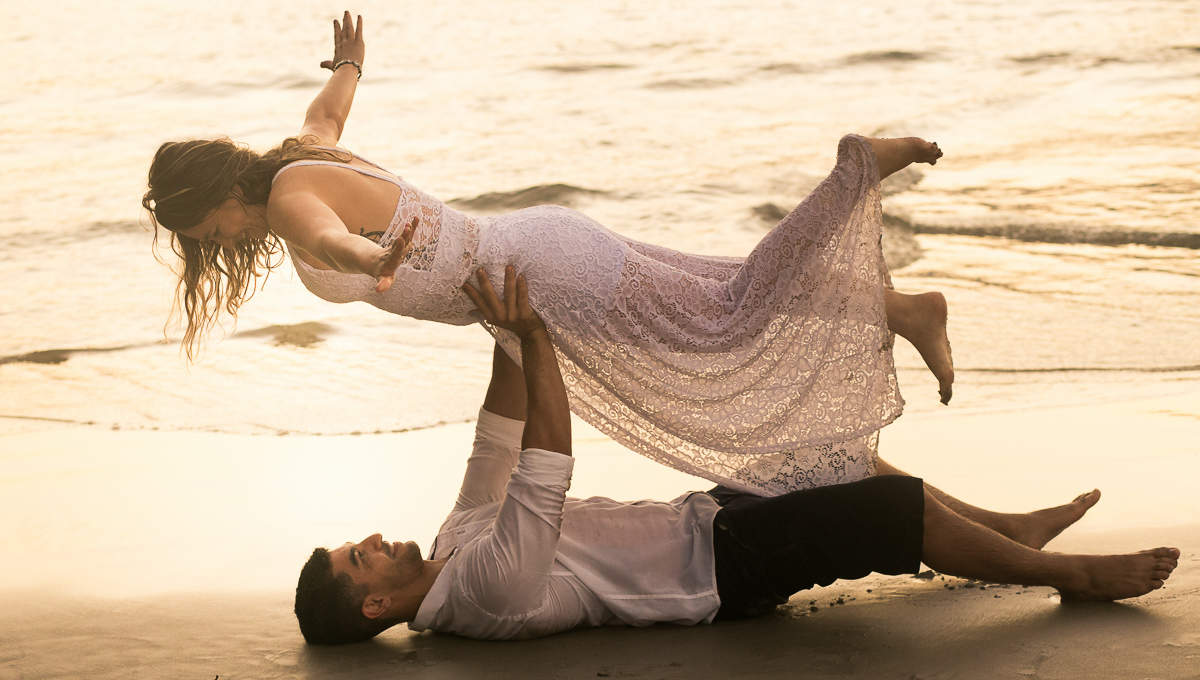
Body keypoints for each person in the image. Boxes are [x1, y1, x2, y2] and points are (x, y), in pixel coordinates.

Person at [143, 13, 953, 497]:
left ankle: (856, 169)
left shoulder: (288, 201)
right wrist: (351, 61)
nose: (220, 243)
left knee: (725, 326)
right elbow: (331, 110)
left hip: (546, 278)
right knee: (729, 294)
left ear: (216, 194)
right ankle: (907, 308)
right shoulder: (298, 154)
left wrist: (364, 260)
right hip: (542, 247)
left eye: (207, 230)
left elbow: (325, 235)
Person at [292, 267, 1179, 645]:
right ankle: (1070, 578)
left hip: (698, 523)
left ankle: (1009, 528)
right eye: (360, 555)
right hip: (716, 577)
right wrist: (539, 336)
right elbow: (545, 468)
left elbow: (500, 432)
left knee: (829, 453)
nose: (375, 538)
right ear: (374, 603)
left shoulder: (451, 543)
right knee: (886, 513)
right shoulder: (477, 591)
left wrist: (499, 310)